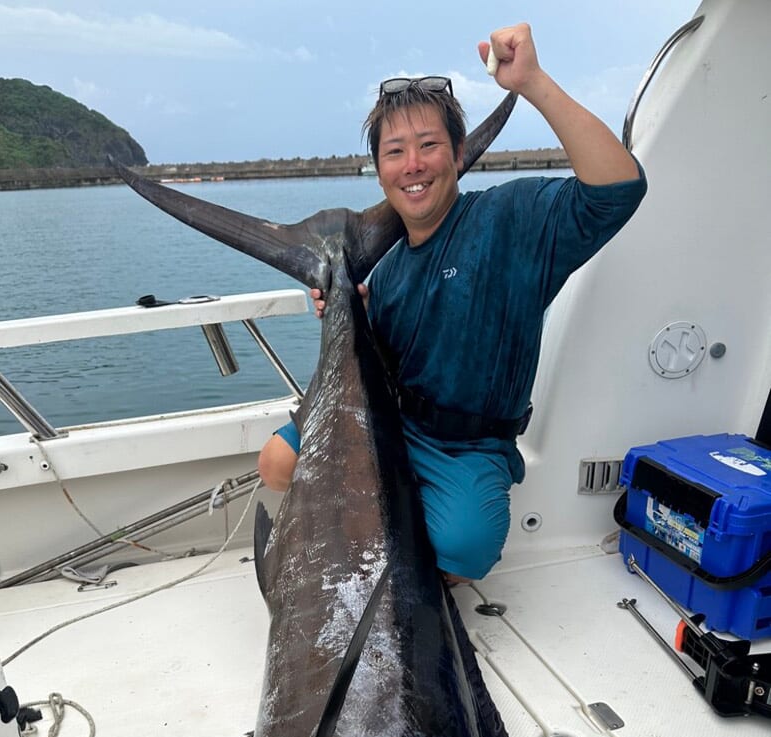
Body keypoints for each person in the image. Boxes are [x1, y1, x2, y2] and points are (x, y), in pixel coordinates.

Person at [258, 22, 647, 585]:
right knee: (275, 464)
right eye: (395, 152)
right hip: (385, 418)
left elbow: (618, 192)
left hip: (465, 444)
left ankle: (398, 541)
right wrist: (350, 318)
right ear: (380, 169)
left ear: (459, 153)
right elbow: (378, 371)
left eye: (429, 146)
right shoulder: (383, 269)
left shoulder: (510, 219)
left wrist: (533, 82)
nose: (412, 165)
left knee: (465, 549)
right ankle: (381, 532)